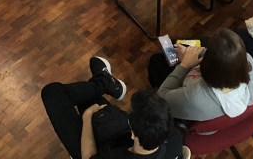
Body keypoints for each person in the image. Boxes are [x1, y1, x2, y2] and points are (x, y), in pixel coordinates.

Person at [41, 60, 183, 159]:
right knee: (85, 98)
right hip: (119, 141)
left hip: (95, 151)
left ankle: (105, 82)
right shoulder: (175, 140)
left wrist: (87, 116)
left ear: (133, 133)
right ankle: (105, 82)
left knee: (51, 93)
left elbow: (88, 156)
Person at [145, 29, 253, 124]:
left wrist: (185, 65)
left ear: (206, 66)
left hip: (193, 110)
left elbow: (162, 98)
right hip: (213, 114)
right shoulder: (248, 62)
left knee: (156, 62)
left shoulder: (194, 96)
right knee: (203, 40)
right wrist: (193, 53)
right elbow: (224, 60)